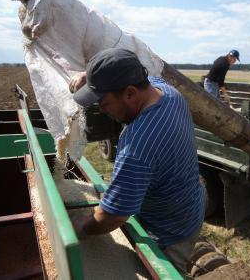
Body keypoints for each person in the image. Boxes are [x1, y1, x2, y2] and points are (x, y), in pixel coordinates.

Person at [69, 48, 206, 275]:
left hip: (171, 230)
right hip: (191, 198)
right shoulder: (166, 92)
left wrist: (78, 227)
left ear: (130, 94)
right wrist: (93, 78)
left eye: (103, 102)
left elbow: (113, 216)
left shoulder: (137, 145)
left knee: (168, 273)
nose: (101, 110)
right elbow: (140, 73)